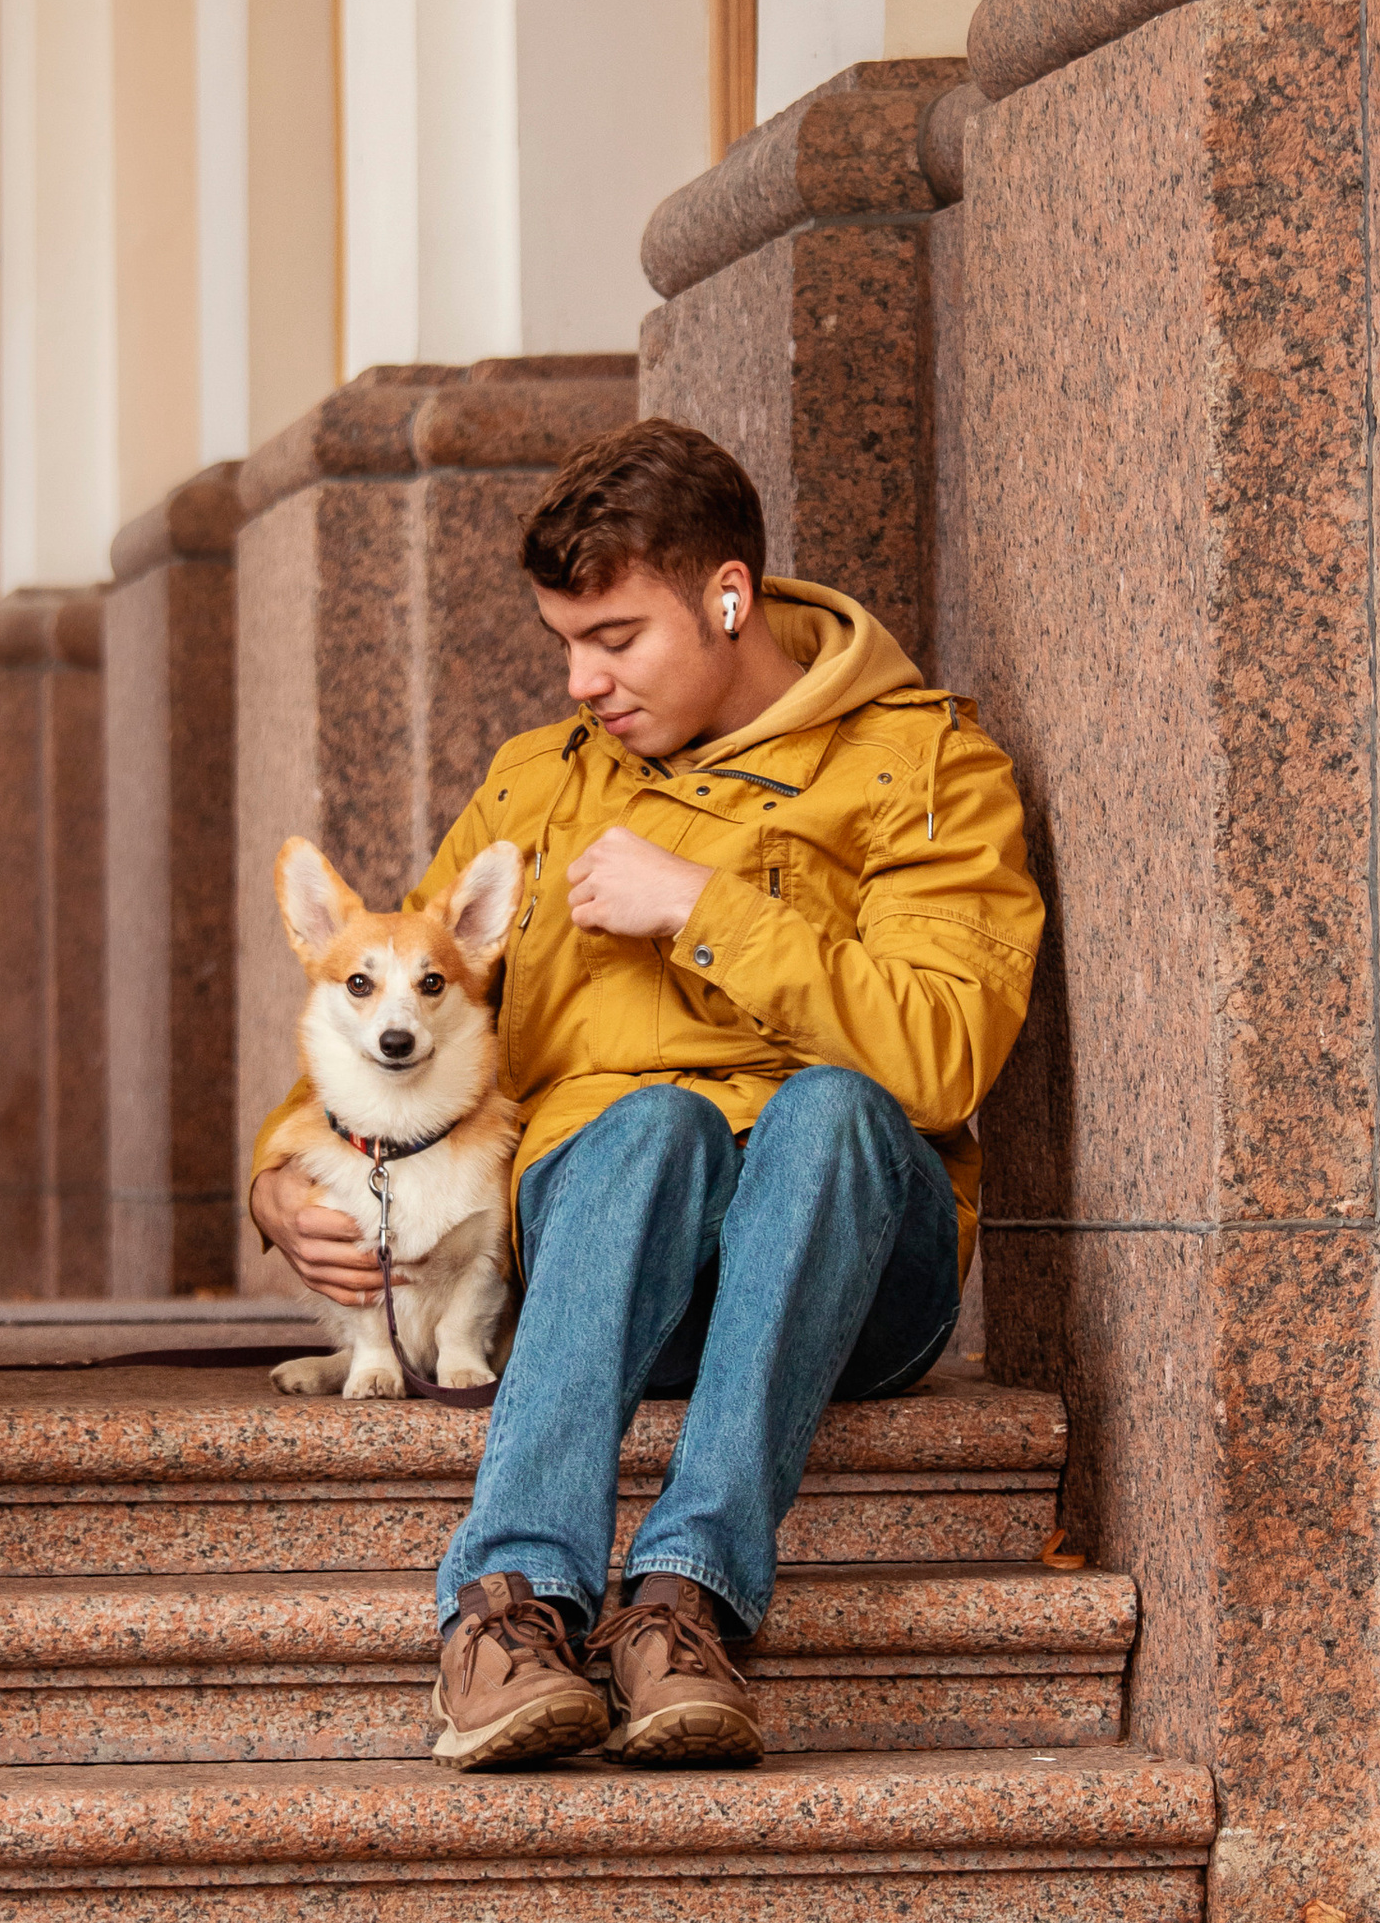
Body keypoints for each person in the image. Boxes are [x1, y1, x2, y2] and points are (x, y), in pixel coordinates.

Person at [247, 418, 1044, 1772]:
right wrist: (281, 1178)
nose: (582, 680)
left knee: (835, 1110)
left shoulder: (924, 769)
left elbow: (946, 1052)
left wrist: (705, 910)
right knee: (653, 1125)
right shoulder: (539, 786)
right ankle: (508, 1613)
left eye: (616, 638)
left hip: (852, 1261)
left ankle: (685, 1601)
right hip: (604, 1244)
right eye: (567, 642)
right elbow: (395, 1000)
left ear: (728, 598)